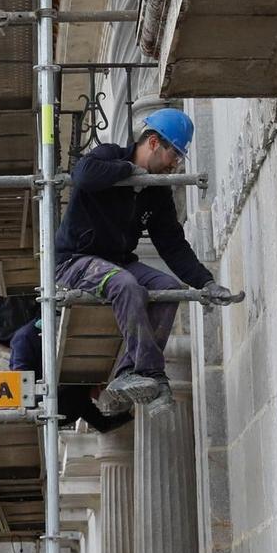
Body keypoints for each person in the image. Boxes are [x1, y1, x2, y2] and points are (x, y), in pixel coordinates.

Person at [55, 109, 234, 410]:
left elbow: (173, 245)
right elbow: (83, 175)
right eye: (173, 154)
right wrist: (127, 171)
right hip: (76, 261)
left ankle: (132, 371)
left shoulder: (156, 193)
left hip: (118, 261)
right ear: (153, 143)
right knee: (125, 284)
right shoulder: (110, 155)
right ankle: (151, 372)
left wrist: (206, 282)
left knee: (167, 287)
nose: (174, 164)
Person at [7, 315, 132, 432]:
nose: (99, 394)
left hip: (54, 403)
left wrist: (131, 413)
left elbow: (103, 425)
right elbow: (21, 378)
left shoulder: (79, 394)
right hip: (45, 403)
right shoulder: (25, 338)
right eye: (102, 387)